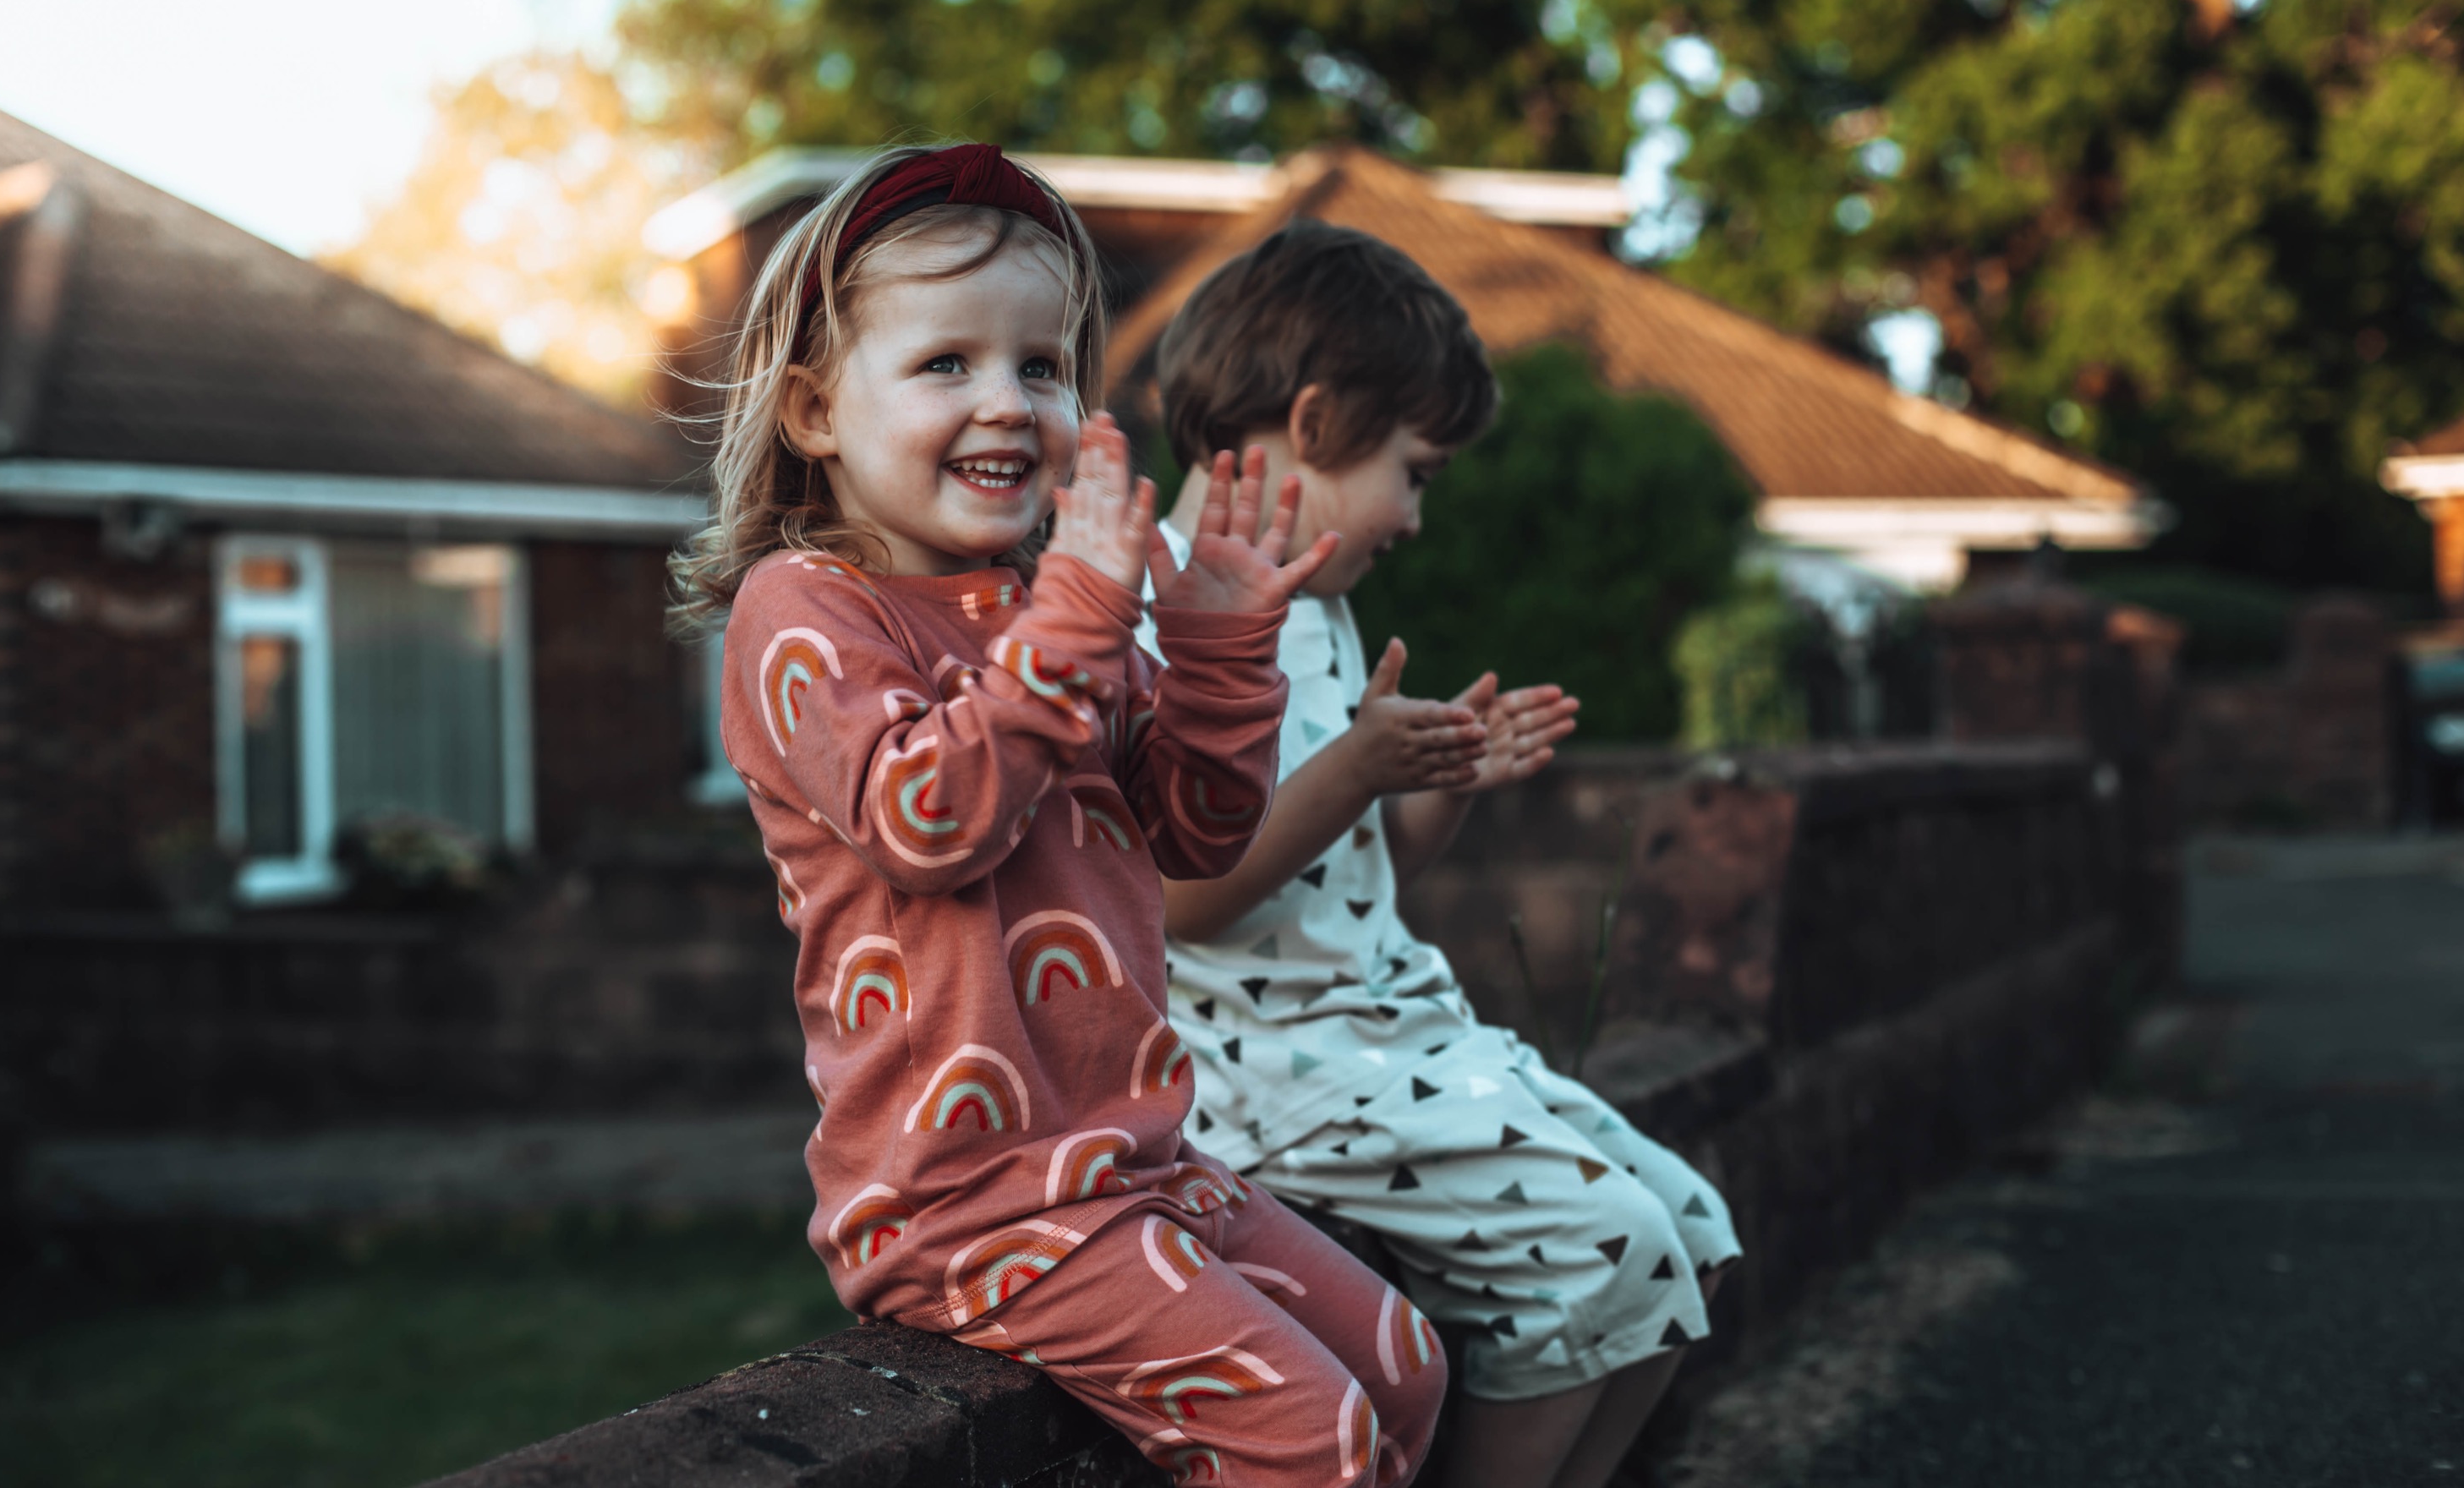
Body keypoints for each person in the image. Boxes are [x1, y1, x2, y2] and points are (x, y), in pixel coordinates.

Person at [671, 146, 1446, 1487]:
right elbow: (929, 820)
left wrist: (1215, 654)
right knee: (1309, 1437)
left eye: (1041, 367)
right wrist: (1081, 616)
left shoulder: (1057, 607)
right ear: (811, 409)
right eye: (946, 365)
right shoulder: (804, 611)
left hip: (1133, 1163)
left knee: (1405, 1364)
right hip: (965, 1201)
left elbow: (1194, 833)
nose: (1008, 404)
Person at [1137, 221, 1743, 1488]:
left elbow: (1352, 888)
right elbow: (1180, 898)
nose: (1417, 515)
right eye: (1415, 472)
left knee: (1688, 1228)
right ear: (1311, 424)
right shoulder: (1154, 611)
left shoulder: (1321, 610)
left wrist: (1434, 787)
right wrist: (1356, 764)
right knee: (1607, 1251)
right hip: (1274, 1073)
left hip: (1389, 1032)